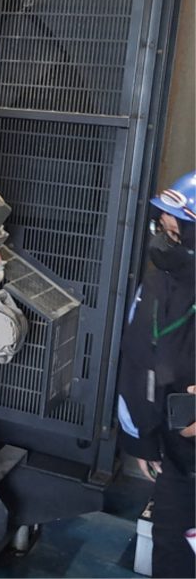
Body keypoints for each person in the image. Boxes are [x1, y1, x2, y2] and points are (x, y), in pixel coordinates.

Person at [117, 170, 196, 578]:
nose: (164, 241)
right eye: (161, 229)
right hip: (177, 460)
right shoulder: (156, 283)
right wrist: (141, 439)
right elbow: (137, 361)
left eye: (175, 233)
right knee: (172, 550)